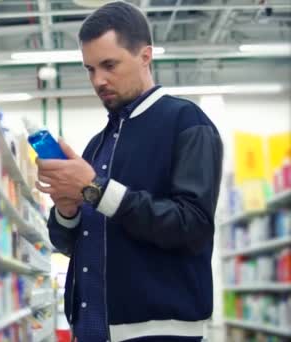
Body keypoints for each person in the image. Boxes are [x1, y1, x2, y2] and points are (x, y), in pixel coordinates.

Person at [36, 2, 223, 342]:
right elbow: (69, 245)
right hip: (92, 330)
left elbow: (192, 225)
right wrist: (66, 210)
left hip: (159, 332)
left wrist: (95, 189)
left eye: (109, 65)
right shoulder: (97, 145)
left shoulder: (186, 122)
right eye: (90, 69)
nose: (99, 80)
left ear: (145, 56)